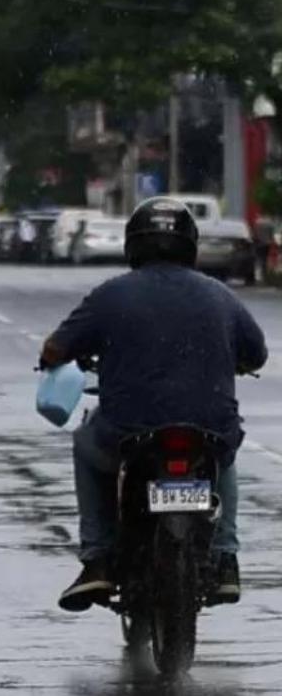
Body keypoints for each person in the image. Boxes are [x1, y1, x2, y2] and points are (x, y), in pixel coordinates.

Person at [40, 197, 267, 612]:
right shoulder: (220, 294)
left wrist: (54, 359)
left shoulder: (110, 294)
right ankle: (225, 559)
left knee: (84, 445)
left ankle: (97, 559)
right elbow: (257, 353)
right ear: (190, 244)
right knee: (225, 455)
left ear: (133, 244)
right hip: (210, 428)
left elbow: (57, 347)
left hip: (127, 431)